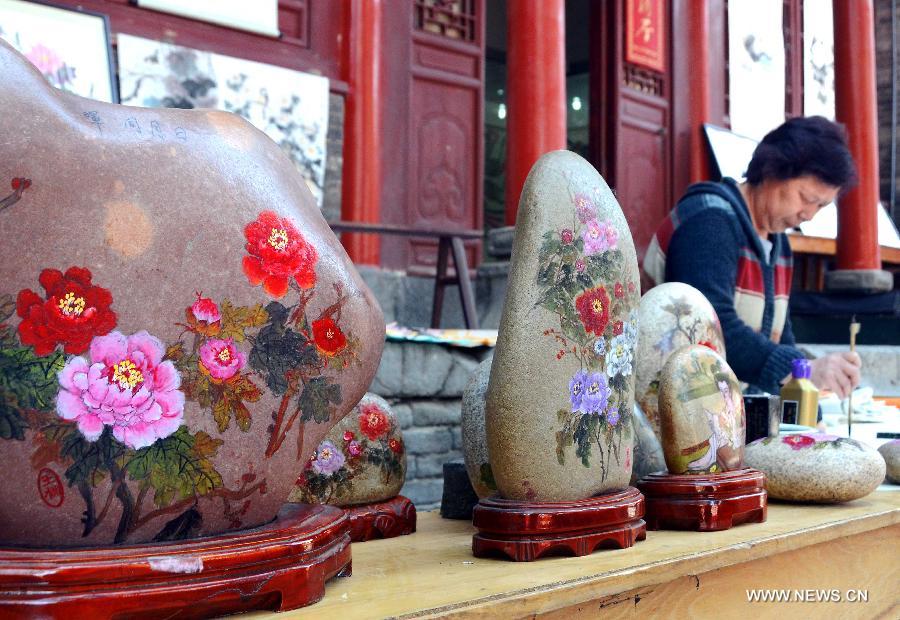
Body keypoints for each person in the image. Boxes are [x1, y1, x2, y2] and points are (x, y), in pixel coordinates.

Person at [643, 116, 862, 398]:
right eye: (806, 198)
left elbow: (781, 336)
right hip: (673, 411)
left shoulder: (777, 242)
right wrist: (802, 369)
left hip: (727, 411)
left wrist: (808, 399)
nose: (808, 214)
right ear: (773, 171)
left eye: (820, 205)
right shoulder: (709, 221)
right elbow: (711, 330)